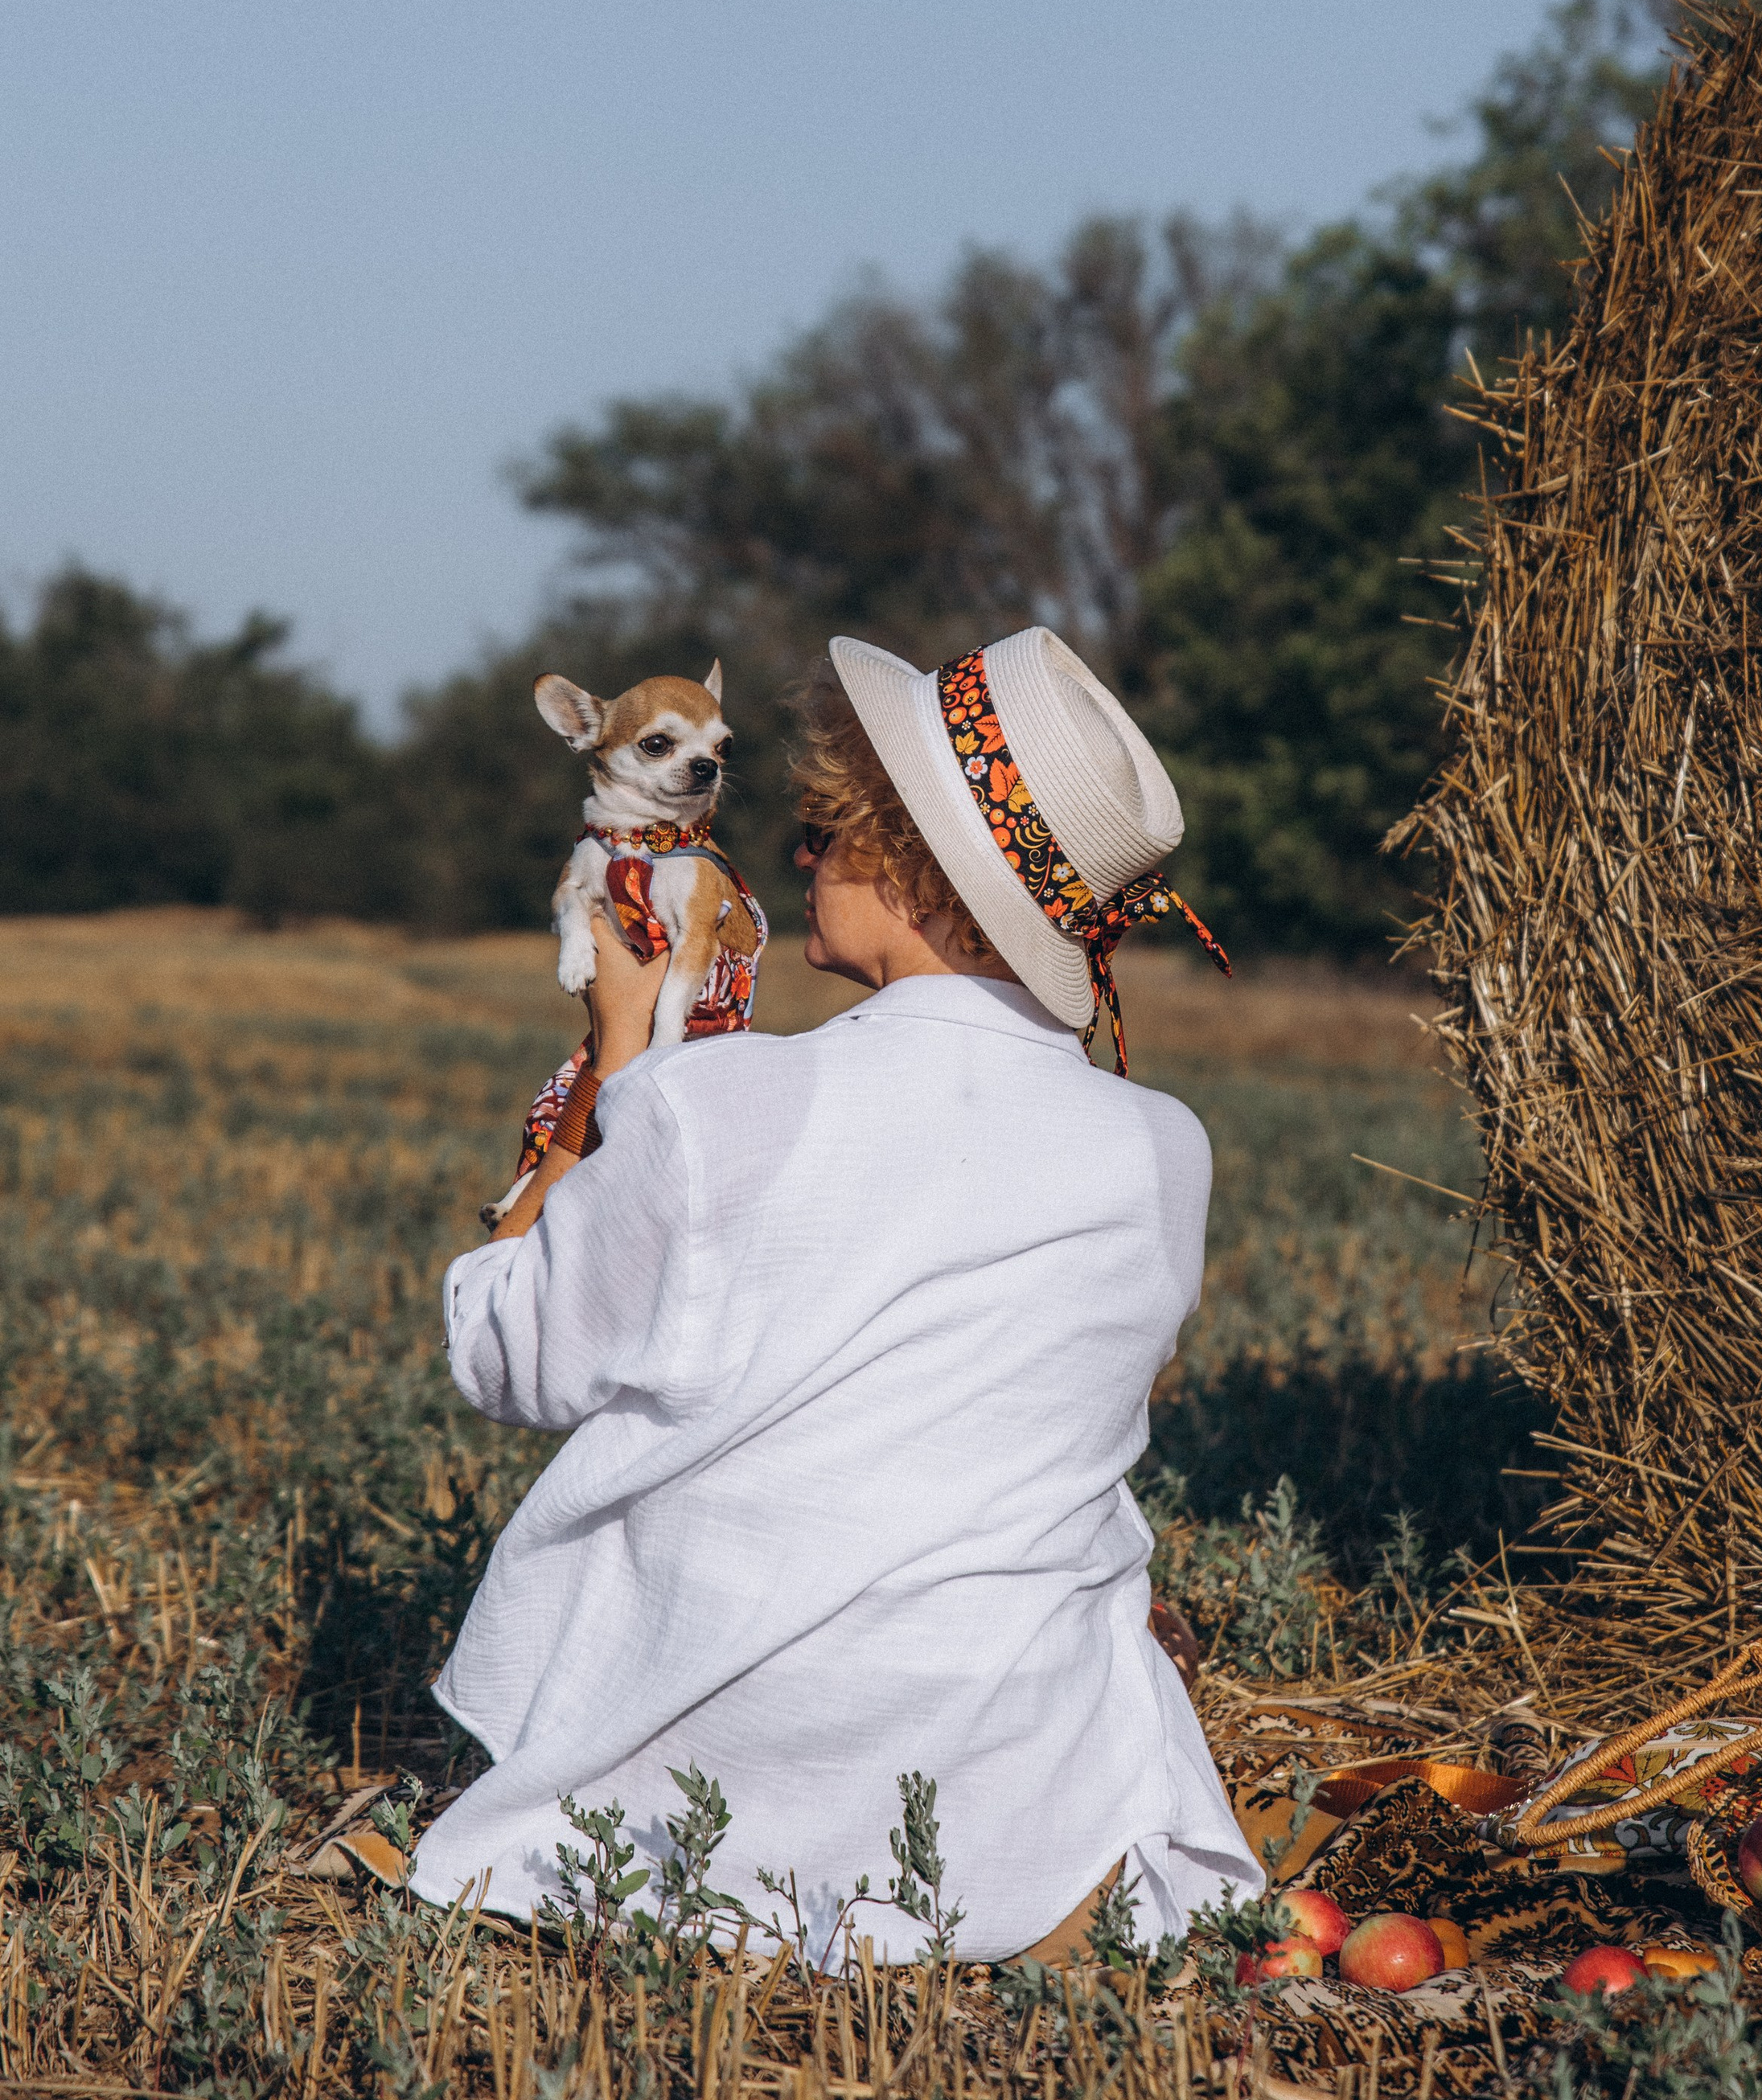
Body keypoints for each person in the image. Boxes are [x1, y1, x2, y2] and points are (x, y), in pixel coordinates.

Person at [408, 625, 1261, 1962]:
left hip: (710, 1787)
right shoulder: (1166, 1148)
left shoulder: (718, 1105)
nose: (795, 857)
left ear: (911, 864)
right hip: (1016, 1796)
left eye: (821, 829)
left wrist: (611, 1061)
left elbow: (505, 1354)